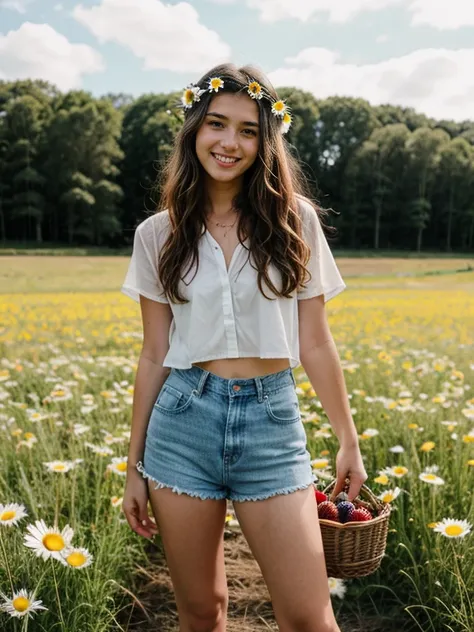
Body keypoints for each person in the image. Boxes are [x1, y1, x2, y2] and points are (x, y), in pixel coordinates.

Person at [121, 63, 367, 632]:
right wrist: (133, 466)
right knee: (202, 613)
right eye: (216, 124)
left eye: (248, 130)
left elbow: (315, 340)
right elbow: (154, 352)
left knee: (310, 616)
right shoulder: (156, 234)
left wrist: (347, 439)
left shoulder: (294, 221)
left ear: (265, 141)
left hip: (271, 423)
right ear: (194, 131)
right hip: (182, 424)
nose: (230, 142)